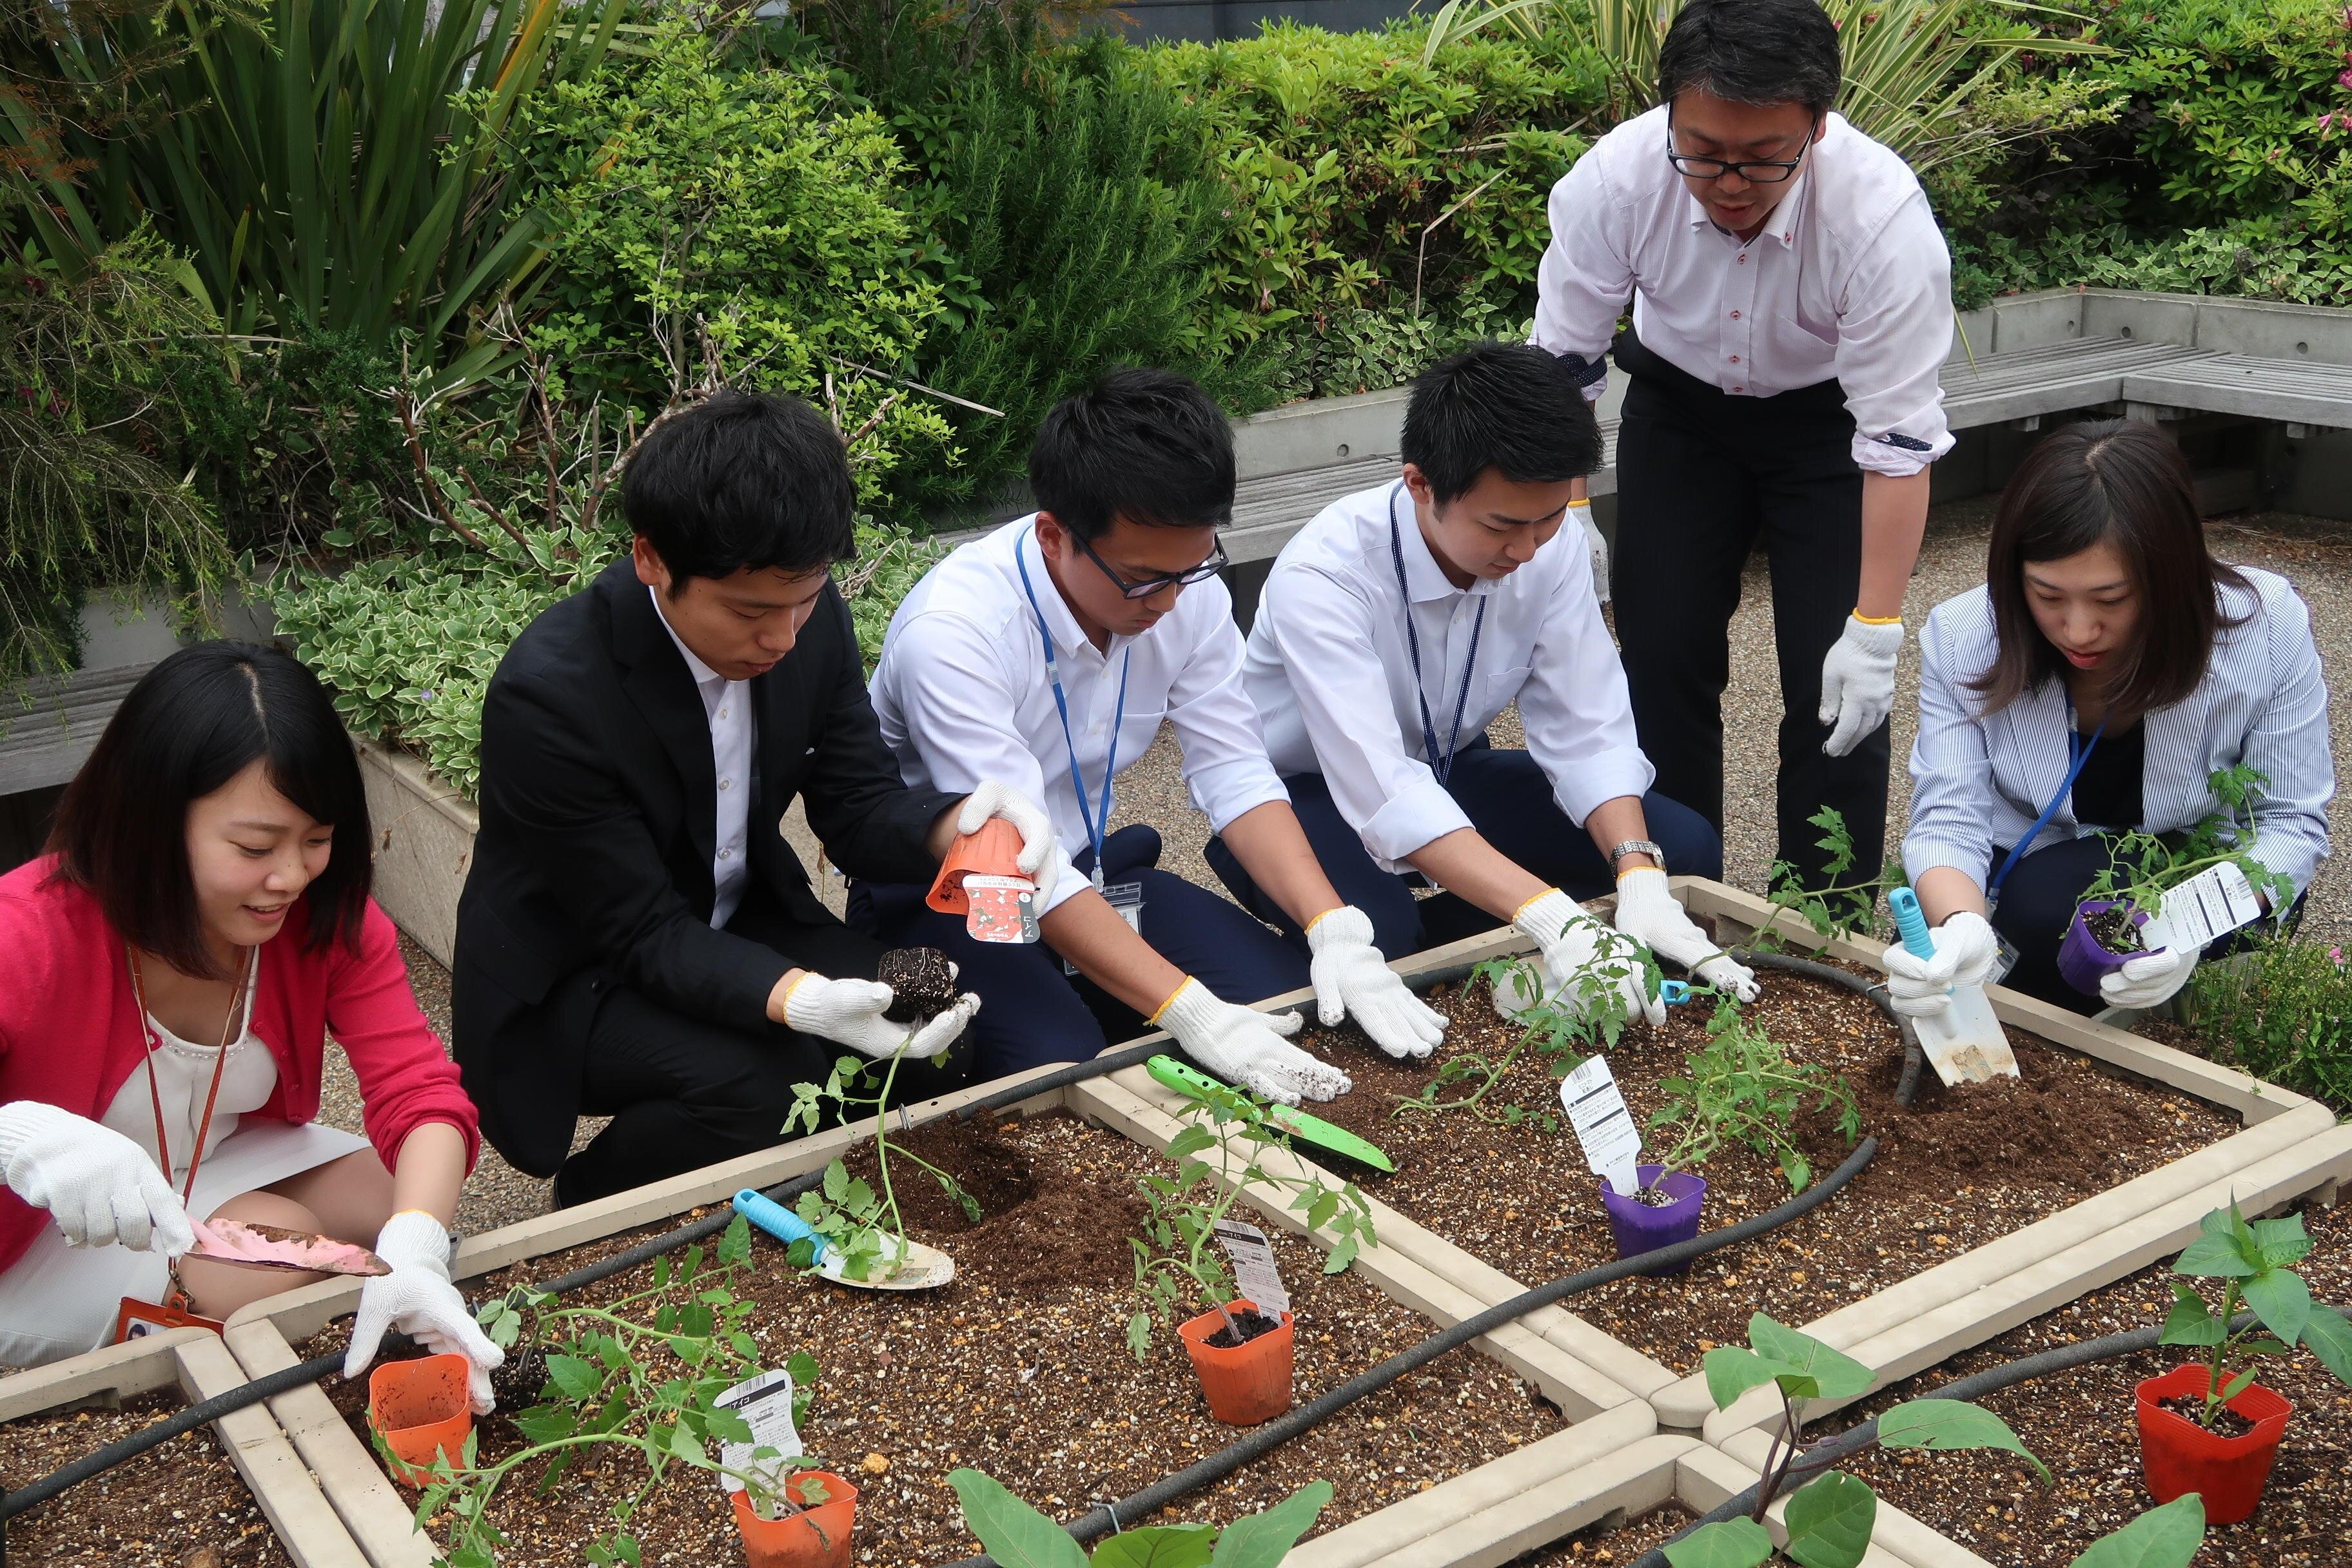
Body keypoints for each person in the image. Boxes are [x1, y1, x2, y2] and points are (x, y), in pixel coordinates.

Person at [455, 391, 1057, 1207]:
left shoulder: (807, 619)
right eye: (749, 611)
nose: (781, 637)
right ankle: (593, 1203)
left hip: (738, 917)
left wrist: (961, 821)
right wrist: (803, 1000)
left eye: (804, 601)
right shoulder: (551, 697)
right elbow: (640, 931)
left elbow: (855, 803)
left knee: (935, 1027)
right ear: (652, 560)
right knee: (761, 1084)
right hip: (582, 972)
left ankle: (803, 1181)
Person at [859, 369, 1443, 1103]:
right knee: (1053, 1064)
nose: (1169, 601)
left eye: (1191, 568)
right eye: (1141, 579)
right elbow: (1008, 857)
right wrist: (1189, 1010)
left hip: (1093, 870)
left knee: (1285, 1000)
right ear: (1053, 533)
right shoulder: (956, 634)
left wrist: (1332, 925)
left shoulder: (1180, 587)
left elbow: (1235, 768)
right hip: (956, 894)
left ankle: (1110, 992)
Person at [0, 643, 500, 1403]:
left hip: (209, 1160)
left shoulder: (323, 919)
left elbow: (421, 1091)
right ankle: (148, 1341)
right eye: (255, 846)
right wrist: (19, 1137)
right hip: (41, 1228)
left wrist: (419, 1245)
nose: (292, 877)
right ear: (153, 820)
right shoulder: (26, 933)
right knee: (275, 1251)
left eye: (317, 838)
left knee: (398, 1193)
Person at [1531, 0, 1955, 892]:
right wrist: (1568, 512)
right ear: (1670, 115)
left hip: (1829, 429)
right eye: (1703, 151)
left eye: (1764, 160)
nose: (1728, 182)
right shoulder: (1615, 182)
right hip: (1680, 413)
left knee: (1834, 688)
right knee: (1662, 656)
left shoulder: (1882, 219)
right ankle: (1677, 895)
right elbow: (1565, 368)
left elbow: (1900, 438)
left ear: (1817, 125)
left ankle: (1823, 916)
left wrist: (1876, 628)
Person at [1226, 342, 1754, 1023]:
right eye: (1502, 525)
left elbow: (1586, 723)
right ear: (1420, 485)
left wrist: (1637, 867)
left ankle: (1495, 950)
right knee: (1381, 935)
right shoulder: (1324, 577)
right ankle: (1486, 954)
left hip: (1445, 766)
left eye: (1549, 517)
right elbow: (1383, 786)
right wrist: (1553, 917)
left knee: (1678, 845)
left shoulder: (1547, 542)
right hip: (1305, 794)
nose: (1528, 549)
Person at [1885, 420, 2333, 1017]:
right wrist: (1959, 924)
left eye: (2111, 599)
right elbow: (1949, 816)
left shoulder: (2265, 627)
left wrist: (2180, 930)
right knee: (1943, 973)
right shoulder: (1966, 635)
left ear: (2169, 578)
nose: (2077, 631)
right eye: (2047, 596)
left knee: (2047, 913)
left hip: (2199, 859)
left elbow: (2289, 826)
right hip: (2026, 852)